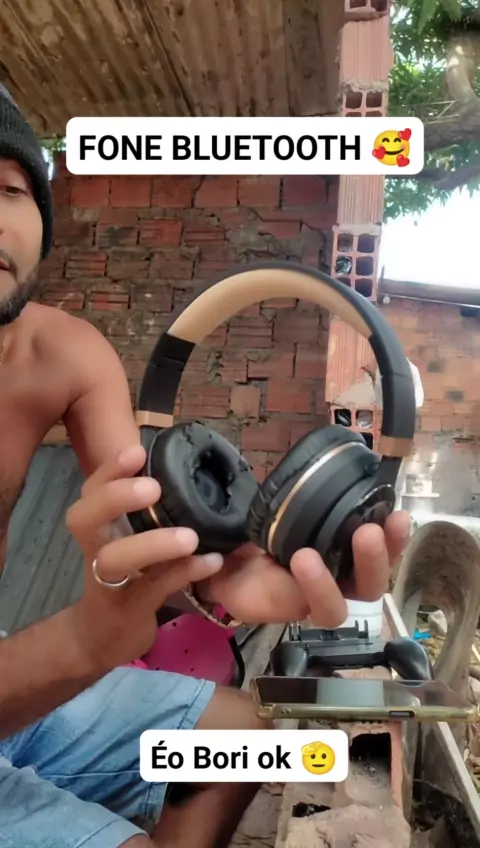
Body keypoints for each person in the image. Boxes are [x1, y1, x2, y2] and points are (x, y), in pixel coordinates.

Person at [0, 82, 411, 848]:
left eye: (8, 189)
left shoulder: (68, 353)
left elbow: (156, 518)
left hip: (17, 693)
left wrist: (229, 570)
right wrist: (86, 641)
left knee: (253, 736)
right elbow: (90, 638)